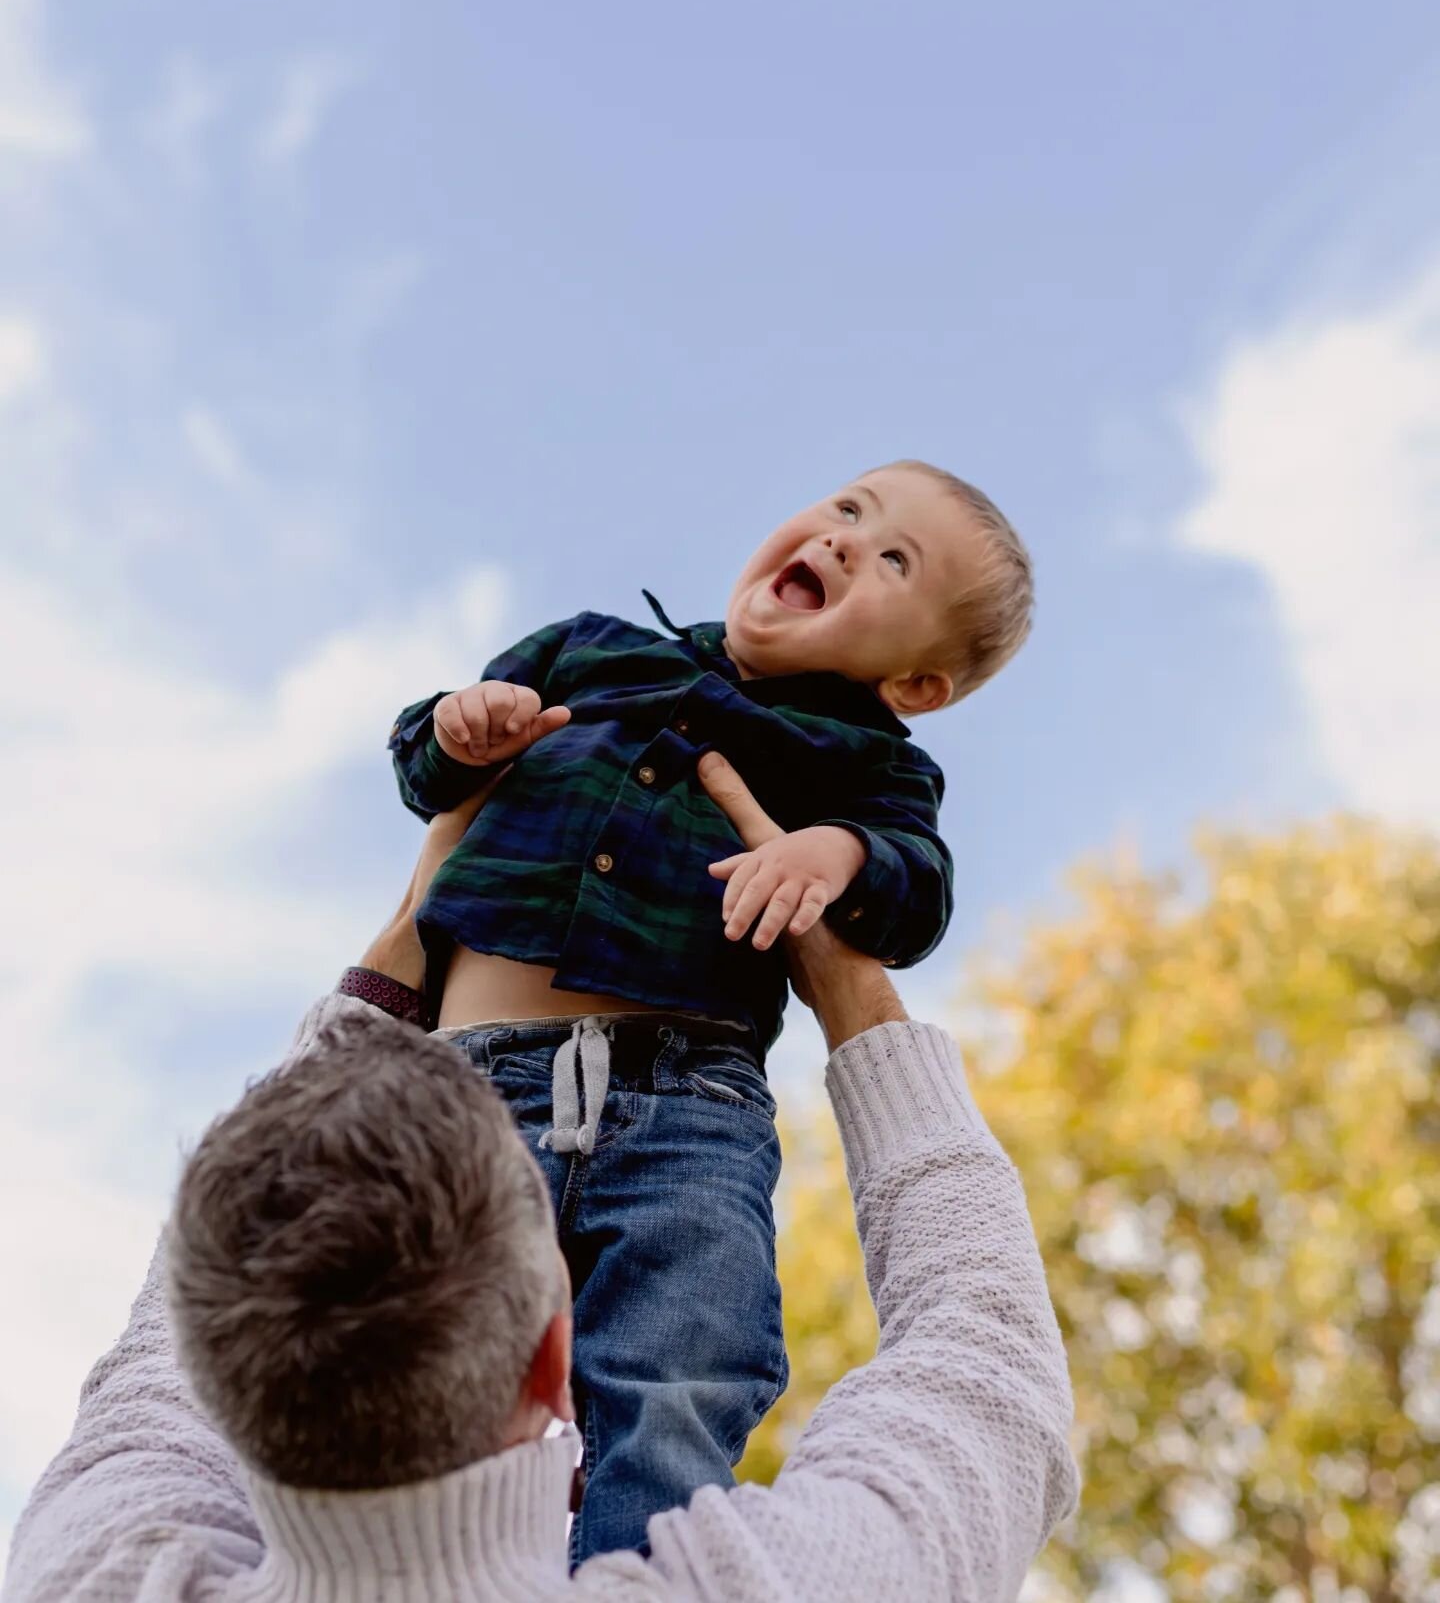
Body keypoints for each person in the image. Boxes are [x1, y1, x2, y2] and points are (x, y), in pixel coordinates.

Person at [4, 754, 1078, 1603]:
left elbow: (157, 1374)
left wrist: (396, 954)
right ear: (551, 1359)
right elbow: (986, 1365)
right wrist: (851, 994)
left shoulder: (95, 1569)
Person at [371, 458, 1034, 1554]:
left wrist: (841, 850)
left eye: (892, 560)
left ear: (917, 683)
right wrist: (455, 728)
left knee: (681, 1365)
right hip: (467, 1084)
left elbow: (916, 889)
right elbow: (423, 764)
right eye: (847, 511)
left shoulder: (871, 763)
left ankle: (640, 1576)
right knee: (413, 1351)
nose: (841, 544)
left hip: (685, 1107)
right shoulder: (587, 648)